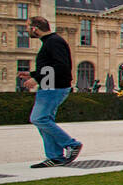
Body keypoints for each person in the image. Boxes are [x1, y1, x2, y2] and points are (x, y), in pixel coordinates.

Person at [21, 16, 82, 168]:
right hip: (50, 86)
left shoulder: (53, 42)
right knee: (44, 120)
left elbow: (60, 66)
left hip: (54, 87)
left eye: (28, 27)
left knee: (39, 119)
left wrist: (37, 79)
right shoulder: (51, 42)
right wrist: (34, 75)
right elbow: (52, 66)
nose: (26, 30)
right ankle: (55, 157)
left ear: (35, 28)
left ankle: (71, 144)